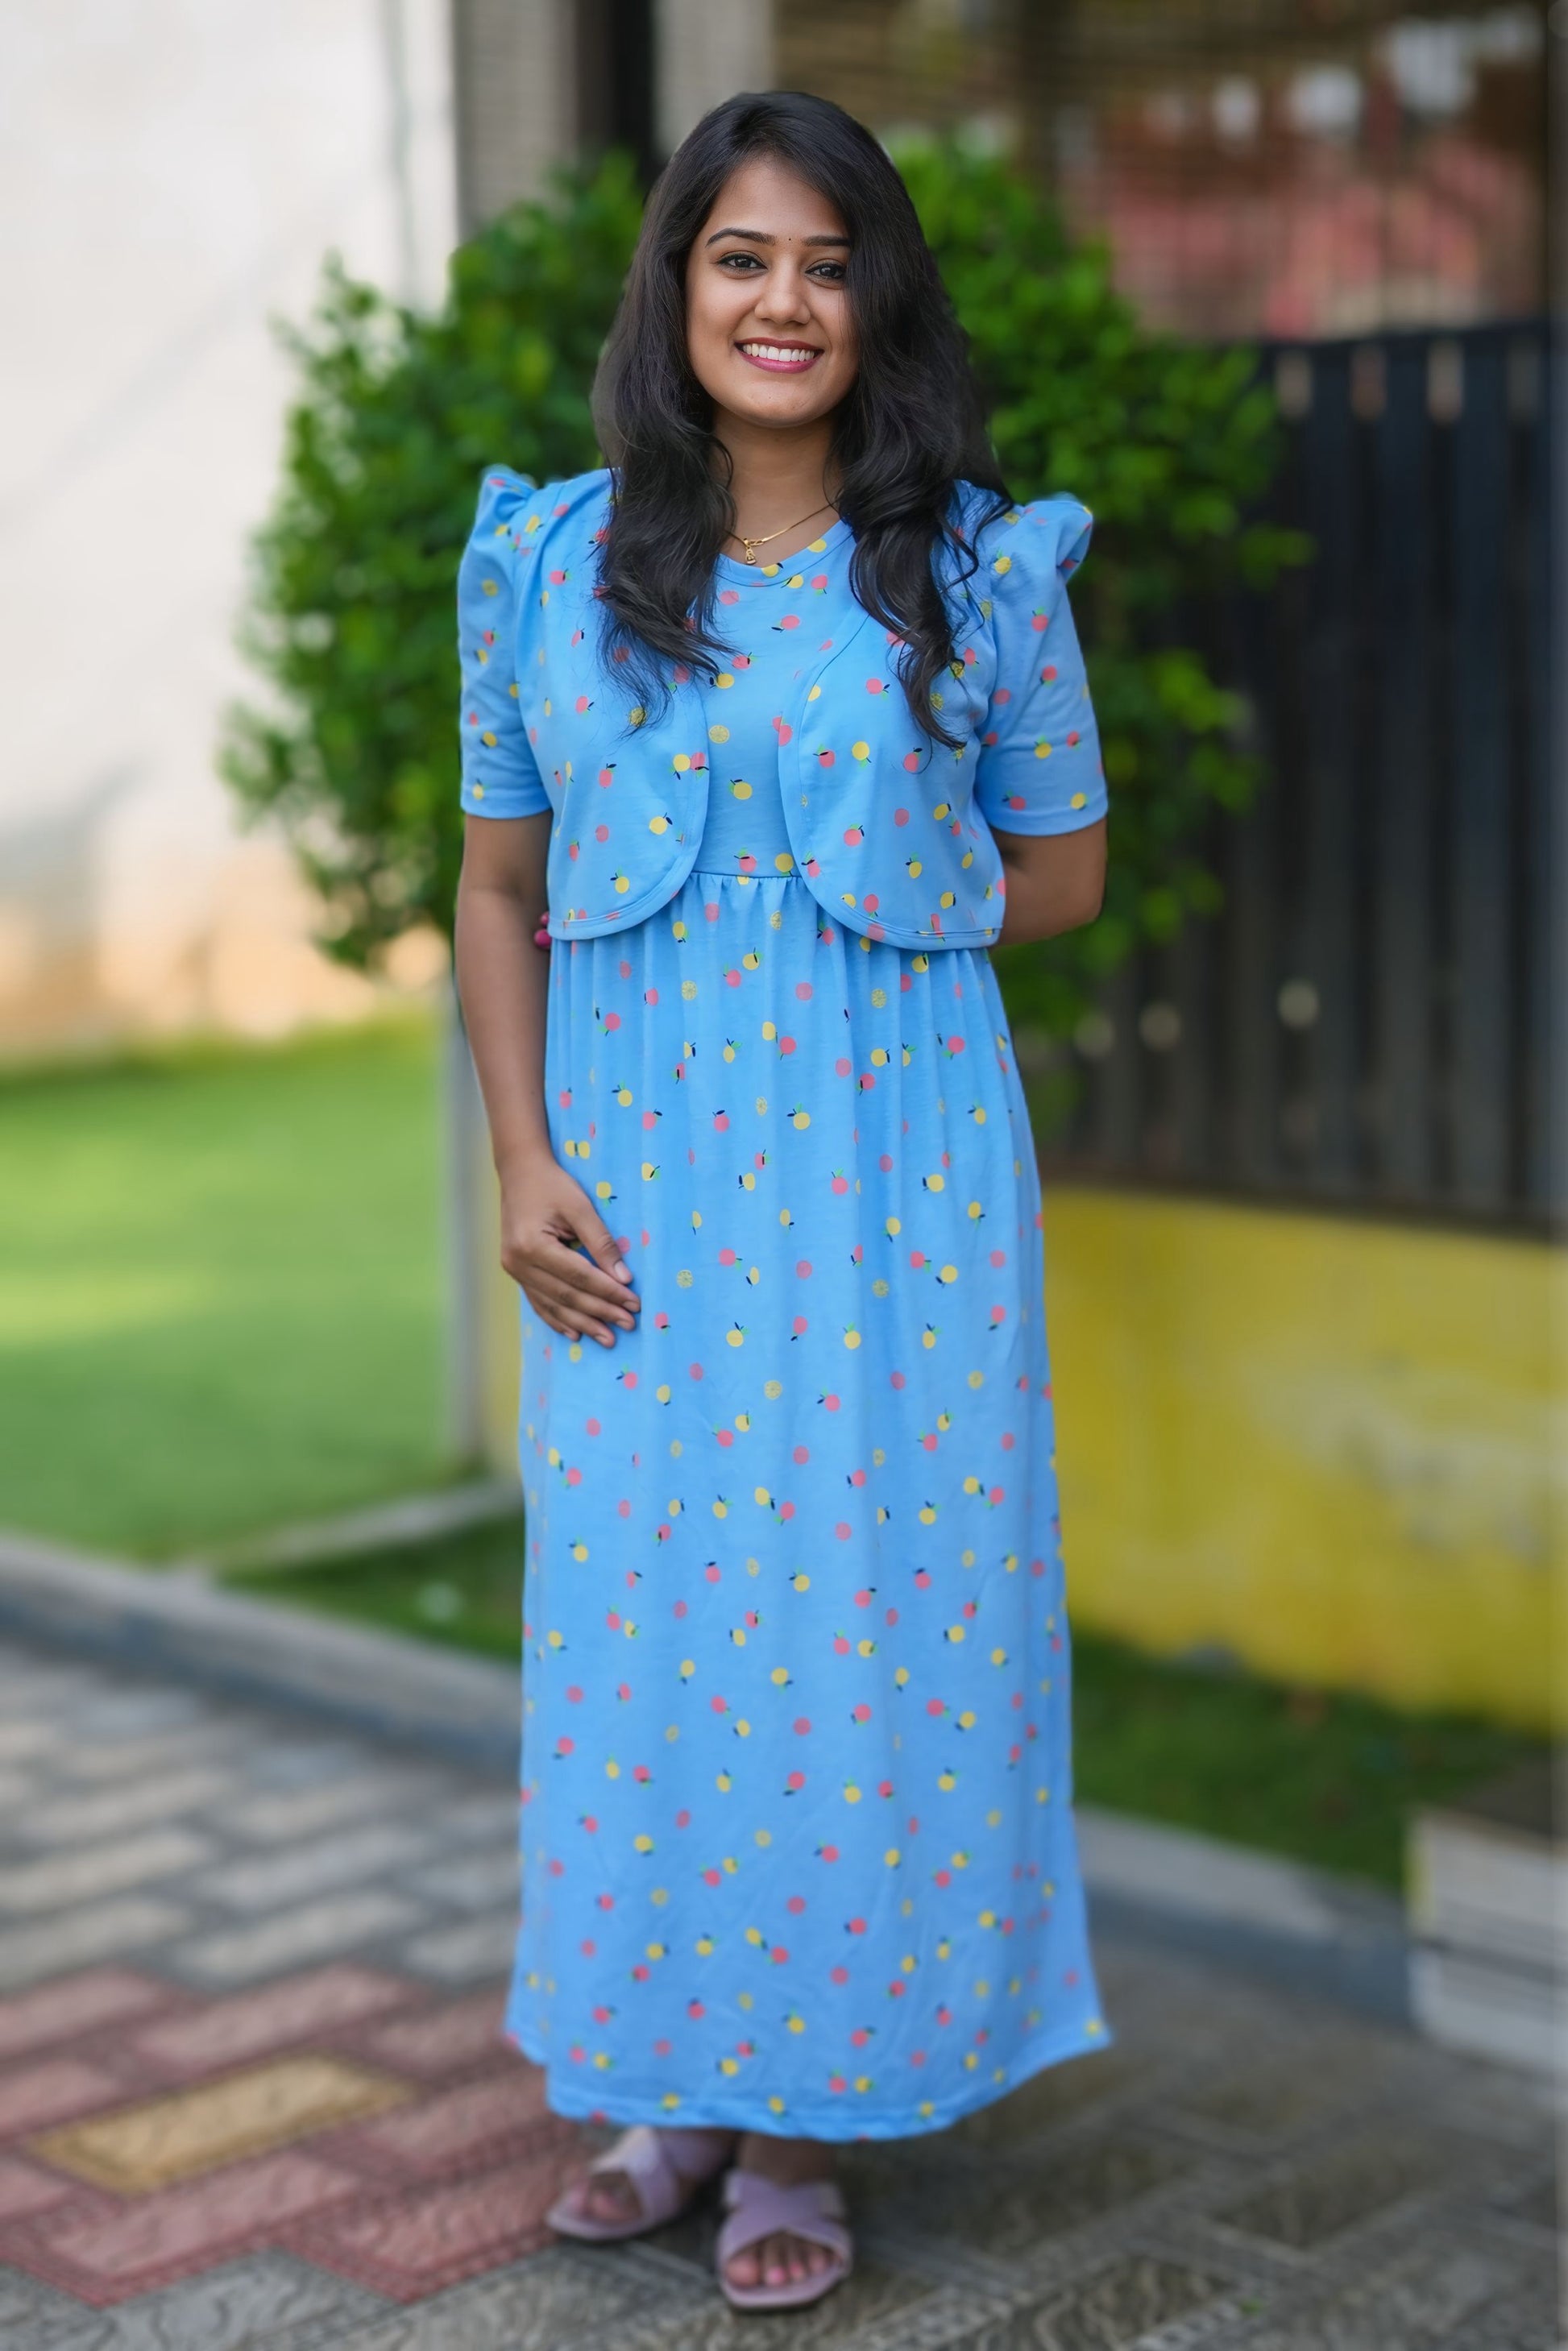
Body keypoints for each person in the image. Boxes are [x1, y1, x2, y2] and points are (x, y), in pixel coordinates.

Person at [453, 87, 1110, 2315]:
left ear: (877, 301)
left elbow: (1059, 872)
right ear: (677, 287)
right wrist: (522, 1156)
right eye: (741, 257)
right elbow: (497, 886)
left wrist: (872, 892)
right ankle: (669, 2086)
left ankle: (807, 2116)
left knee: (854, 1622)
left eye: (828, 265)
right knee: (646, 1627)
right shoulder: (550, 565)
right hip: (634, 1183)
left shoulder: (978, 572)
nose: (784, 301)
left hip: (891, 1179)